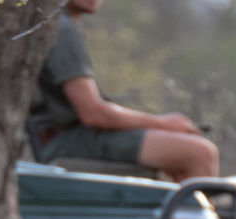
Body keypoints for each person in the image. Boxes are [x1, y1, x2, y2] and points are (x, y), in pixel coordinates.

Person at [29, 0, 218, 182]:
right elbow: (93, 114)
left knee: (180, 155)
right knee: (200, 153)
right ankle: (193, 214)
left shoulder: (58, 23)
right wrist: (164, 124)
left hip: (68, 137)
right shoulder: (62, 28)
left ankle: (175, 213)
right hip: (67, 141)